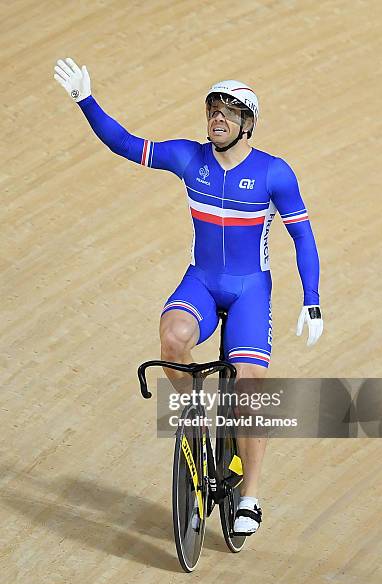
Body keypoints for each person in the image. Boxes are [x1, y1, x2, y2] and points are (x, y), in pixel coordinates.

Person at [54, 57, 324, 535]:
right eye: (212, 111)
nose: (216, 119)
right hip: (201, 280)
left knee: (249, 391)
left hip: (249, 292)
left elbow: (302, 236)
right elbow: (125, 144)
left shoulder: (273, 173)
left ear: (248, 124)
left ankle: (252, 498)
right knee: (173, 336)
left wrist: (312, 298)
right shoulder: (188, 157)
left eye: (227, 112)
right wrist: (85, 100)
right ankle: (194, 418)